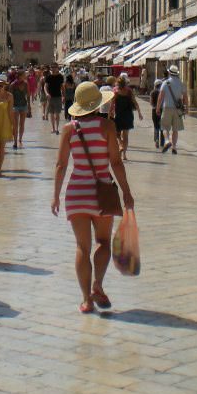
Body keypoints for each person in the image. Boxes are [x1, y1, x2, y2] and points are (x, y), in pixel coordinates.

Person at [51, 82, 135, 313]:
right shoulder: (107, 126)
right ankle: (98, 284)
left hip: (76, 193)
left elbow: (61, 165)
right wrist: (126, 191)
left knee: (82, 246)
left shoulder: (68, 129)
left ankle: (86, 300)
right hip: (102, 192)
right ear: (97, 104)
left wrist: (55, 196)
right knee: (103, 242)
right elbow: (115, 162)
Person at [156, 65, 187, 155]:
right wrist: (186, 108)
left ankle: (166, 141)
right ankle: (174, 147)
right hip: (177, 109)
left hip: (167, 107)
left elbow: (160, 97)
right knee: (175, 129)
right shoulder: (181, 83)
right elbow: (185, 97)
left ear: (169, 73)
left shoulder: (165, 83)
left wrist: (157, 108)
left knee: (165, 127)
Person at [110, 76, 142, 160]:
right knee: (126, 136)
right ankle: (124, 155)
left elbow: (112, 104)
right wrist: (139, 113)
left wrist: (109, 114)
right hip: (128, 116)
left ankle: (120, 145)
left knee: (117, 134)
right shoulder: (129, 91)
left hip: (119, 116)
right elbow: (135, 102)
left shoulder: (116, 92)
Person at [9, 69, 31, 150]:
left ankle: (20, 139)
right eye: (24, 75)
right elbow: (10, 96)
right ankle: (15, 142)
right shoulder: (13, 85)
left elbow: (28, 95)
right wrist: (10, 107)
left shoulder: (25, 84)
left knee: (22, 124)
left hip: (23, 105)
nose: (25, 76)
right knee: (15, 125)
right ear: (20, 76)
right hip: (15, 106)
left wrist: (29, 106)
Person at [44, 65, 64, 134]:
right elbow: (45, 86)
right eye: (52, 67)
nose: (53, 69)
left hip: (58, 97)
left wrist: (63, 96)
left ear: (57, 68)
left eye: (54, 67)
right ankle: (53, 128)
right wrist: (46, 93)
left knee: (57, 114)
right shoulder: (48, 77)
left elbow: (62, 87)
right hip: (50, 97)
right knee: (51, 114)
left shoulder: (60, 77)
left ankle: (57, 128)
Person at [150, 75, 165, 149]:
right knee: (162, 126)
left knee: (156, 126)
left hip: (154, 110)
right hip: (162, 110)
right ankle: (162, 142)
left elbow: (151, 103)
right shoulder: (162, 92)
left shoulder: (152, 92)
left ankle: (156, 140)